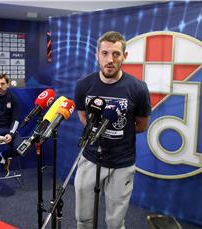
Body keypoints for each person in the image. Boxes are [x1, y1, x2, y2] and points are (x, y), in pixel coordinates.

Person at [74, 31, 151, 229]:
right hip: (90, 157)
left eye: (116, 54)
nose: (110, 59)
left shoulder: (138, 88)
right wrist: (97, 133)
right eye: (105, 53)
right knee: (83, 219)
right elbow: (83, 116)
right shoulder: (84, 85)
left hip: (122, 162)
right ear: (97, 55)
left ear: (124, 56)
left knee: (115, 223)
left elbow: (141, 125)